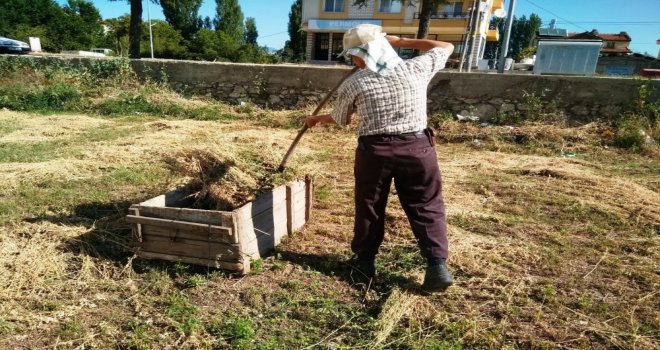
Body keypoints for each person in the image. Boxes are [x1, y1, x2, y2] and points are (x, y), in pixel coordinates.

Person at [305, 24, 454, 293]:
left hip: (375, 153)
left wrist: (316, 119)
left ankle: (364, 263)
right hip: (418, 149)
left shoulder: (354, 83)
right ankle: (436, 265)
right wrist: (401, 41)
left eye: (354, 55)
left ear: (365, 52)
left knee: (370, 205)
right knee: (425, 204)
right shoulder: (416, 68)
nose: (352, 60)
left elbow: (340, 119)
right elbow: (445, 47)